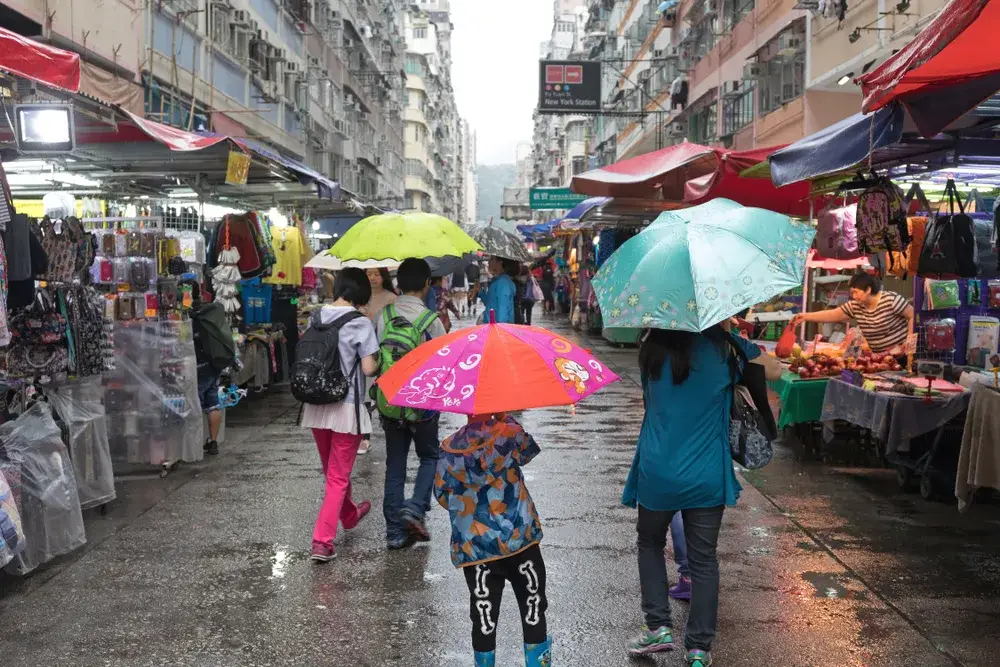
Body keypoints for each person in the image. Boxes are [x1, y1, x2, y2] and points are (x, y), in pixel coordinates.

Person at [625, 322, 782, 666]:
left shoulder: (650, 348)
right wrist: (734, 338)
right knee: (704, 559)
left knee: (650, 542)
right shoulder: (726, 349)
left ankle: (657, 627)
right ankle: (698, 648)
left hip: (657, 468)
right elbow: (774, 368)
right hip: (706, 473)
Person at [434, 412, 551, 667]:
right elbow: (529, 452)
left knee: (484, 617)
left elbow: (442, 495)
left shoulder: (448, 448)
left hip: (476, 549)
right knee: (533, 608)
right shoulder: (508, 432)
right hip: (520, 541)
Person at [299, 268, 380, 562]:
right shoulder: (360, 323)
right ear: (361, 293)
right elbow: (369, 368)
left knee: (333, 473)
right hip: (346, 407)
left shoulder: (317, 316)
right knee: (337, 476)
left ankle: (349, 514)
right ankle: (322, 541)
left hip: (316, 404)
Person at [377, 258, 447, 550]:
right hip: (423, 404)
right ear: (427, 285)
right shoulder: (432, 322)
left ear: (398, 285)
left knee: (395, 465)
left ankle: (395, 532)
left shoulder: (383, 315)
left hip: (391, 403)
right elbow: (444, 363)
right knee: (430, 457)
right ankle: (415, 507)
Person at [791, 272, 914, 362]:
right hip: (880, 359)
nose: (854, 296)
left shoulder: (891, 299)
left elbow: (912, 315)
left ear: (868, 290)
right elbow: (833, 314)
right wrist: (805, 316)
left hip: (902, 356)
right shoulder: (855, 306)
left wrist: (909, 341)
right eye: (852, 293)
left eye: (856, 292)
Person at [186, 280, 233, 457]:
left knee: (194, 403)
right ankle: (213, 442)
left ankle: (192, 444)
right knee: (212, 402)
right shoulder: (210, 311)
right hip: (214, 363)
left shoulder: (190, 315)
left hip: (197, 365)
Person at [358, 268, 397, 456]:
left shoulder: (392, 298)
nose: (372, 277)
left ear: (383, 277)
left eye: (376, 274)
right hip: (363, 351)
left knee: (383, 394)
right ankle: (364, 437)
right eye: (368, 273)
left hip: (384, 352)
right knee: (365, 396)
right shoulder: (358, 296)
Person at [477, 256, 517, 324]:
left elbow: (502, 310)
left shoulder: (503, 283)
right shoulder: (497, 281)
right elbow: (491, 303)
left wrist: (500, 329)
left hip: (497, 329)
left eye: (491, 259)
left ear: (500, 262)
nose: (488, 262)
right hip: (491, 327)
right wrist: (480, 292)